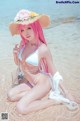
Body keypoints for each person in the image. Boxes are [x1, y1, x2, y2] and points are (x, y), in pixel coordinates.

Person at [7, 9, 79, 115]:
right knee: (10, 95)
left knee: (21, 108)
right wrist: (15, 55)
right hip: (31, 82)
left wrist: (67, 93)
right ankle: (40, 95)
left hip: (42, 83)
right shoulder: (23, 43)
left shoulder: (42, 49)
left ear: (36, 27)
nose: (25, 33)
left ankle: (54, 101)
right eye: (22, 30)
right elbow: (18, 63)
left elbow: (54, 72)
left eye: (29, 28)